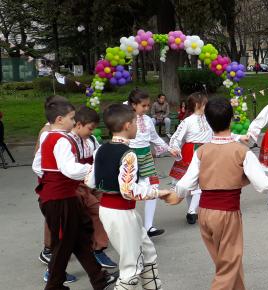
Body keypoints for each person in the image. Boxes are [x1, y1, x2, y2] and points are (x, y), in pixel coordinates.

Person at [165, 96, 268, 289]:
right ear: (231, 120)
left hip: (205, 213)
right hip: (227, 214)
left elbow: (186, 182)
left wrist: (177, 194)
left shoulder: (202, 151)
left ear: (207, 120)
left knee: (226, 264)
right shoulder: (241, 151)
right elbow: (262, 183)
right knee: (227, 268)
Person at [33, 98, 117, 290]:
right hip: (61, 199)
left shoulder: (49, 137)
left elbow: (38, 166)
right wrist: (93, 169)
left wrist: (51, 180)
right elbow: (69, 169)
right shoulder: (61, 140)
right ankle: (54, 286)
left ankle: (98, 278)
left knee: (79, 239)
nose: (74, 121)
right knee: (63, 245)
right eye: (72, 118)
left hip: (61, 196)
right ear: (60, 119)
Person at [87, 103, 172, 289]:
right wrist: (158, 193)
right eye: (135, 122)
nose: (137, 126)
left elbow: (90, 181)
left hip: (113, 210)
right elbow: (128, 191)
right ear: (127, 125)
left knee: (148, 252)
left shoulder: (100, 149)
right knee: (131, 267)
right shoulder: (128, 154)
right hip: (120, 213)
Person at [66, 107, 117, 268]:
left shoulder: (90, 141)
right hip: (73, 185)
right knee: (71, 222)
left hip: (90, 182)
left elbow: (98, 158)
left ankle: (98, 248)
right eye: (90, 129)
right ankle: (54, 257)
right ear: (79, 124)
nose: (92, 132)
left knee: (106, 205)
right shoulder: (66, 141)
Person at [128, 88, 177, 237]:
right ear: (133, 105)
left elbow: (154, 138)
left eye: (148, 105)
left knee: (154, 187)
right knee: (129, 190)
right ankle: (130, 227)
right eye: (143, 106)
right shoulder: (125, 119)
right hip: (130, 157)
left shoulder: (148, 120)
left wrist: (169, 148)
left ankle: (148, 226)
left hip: (146, 156)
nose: (147, 108)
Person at [168, 92, 210, 224]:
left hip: (207, 151)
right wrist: (174, 148)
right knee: (191, 182)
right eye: (205, 103)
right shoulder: (187, 121)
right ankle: (192, 211)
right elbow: (176, 137)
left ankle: (192, 211)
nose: (207, 106)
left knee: (202, 183)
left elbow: (218, 132)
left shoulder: (209, 118)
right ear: (197, 105)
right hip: (191, 152)